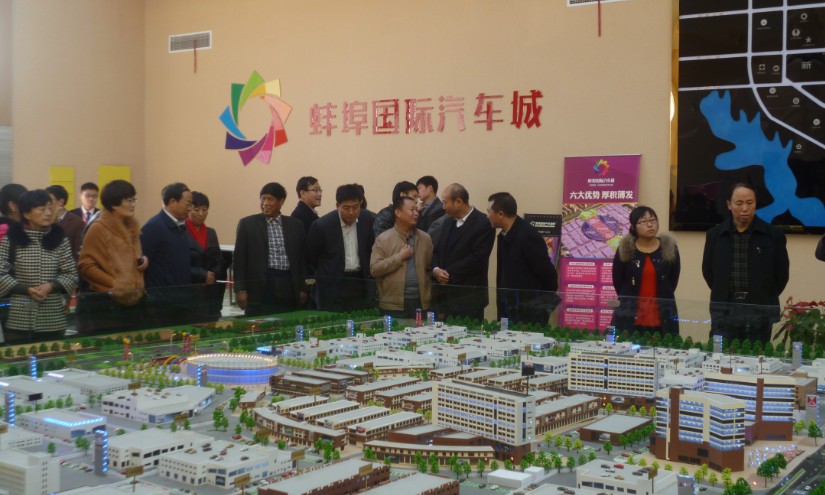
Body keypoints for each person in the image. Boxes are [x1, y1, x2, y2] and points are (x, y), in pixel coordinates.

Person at [702, 183, 790, 343]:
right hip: (725, 309)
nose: (745, 208)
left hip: (759, 309)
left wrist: (763, 294)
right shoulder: (715, 235)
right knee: (722, 355)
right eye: (739, 203)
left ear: (755, 204)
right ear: (729, 205)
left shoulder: (773, 235)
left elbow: (781, 275)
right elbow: (709, 272)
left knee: (756, 355)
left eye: (750, 203)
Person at [0, 189, 78, 343]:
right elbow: (1, 273)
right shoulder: (13, 238)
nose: (48, 213)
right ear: (27, 214)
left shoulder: (59, 238)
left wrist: (51, 285)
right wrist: (25, 289)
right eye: (42, 209)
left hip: (52, 317)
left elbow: (71, 274)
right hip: (18, 316)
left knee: (52, 356)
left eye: (49, 208)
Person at [77, 180, 149, 335]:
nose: (133, 205)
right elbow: (85, 266)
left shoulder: (131, 227)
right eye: (128, 200)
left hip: (134, 301)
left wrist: (143, 260)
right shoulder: (99, 227)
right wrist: (115, 285)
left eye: (134, 200)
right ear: (114, 204)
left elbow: (131, 258)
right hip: (107, 304)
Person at [234, 182, 307, 316]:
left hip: (288, 284)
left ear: (281, 202)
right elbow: (239, 260)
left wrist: (303, 288)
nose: (265, 203)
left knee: (286, 322)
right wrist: (240, 289)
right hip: (260, 286)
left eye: (270, 199)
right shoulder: (247, 224)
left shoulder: (296, 225)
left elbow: (302, 259)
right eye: (263, 198)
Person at [487, 192, 559, 326]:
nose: (487, 216)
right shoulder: (504, 235)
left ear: (500, 214)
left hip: (528, 312)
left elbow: (548, 274)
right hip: (509, 308)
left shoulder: (527, 236)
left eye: (489, 212)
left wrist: (540, 304)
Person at [611, 206, 680, 335]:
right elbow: (618, 281)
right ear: (633, 227)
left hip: (662, 314)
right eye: (643, 221)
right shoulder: (626, 249)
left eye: (652, 220)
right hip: (630, 314)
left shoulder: (669, 248)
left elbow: (672, 281)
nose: (650, 225)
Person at [432, 183, 495, 321]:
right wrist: (436, 270)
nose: (443, 207)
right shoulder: (447, 222)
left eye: (445, 203)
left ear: (458, 202)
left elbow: (477, 258)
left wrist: (447, 274)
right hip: (445, 297)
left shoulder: (483, 223)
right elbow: (437, 250)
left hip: (469, 297)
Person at [306, 184, 375, 311]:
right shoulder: (322, 226)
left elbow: (369, 249)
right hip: (332, 285)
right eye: (346, 208)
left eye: (355, 207)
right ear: (337, 205)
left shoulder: (367, 219)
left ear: (360, 203)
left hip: (359, 282)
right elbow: (311, 258)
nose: (351, 212)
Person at [370, 196, 433, 317]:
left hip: (421, 303)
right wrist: (399, 257)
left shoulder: (425, 238)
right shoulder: (383, 239)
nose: (416, 213)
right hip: (393, 304)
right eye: (412, 210)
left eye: (417, 210)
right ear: (398, 213)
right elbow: (375, 270)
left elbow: (429, 268)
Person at [140, 182, 194, 326]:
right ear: (172, 202)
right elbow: (142, 266)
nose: (190, 209)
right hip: (161, 303)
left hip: (181, 300)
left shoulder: (181, 226)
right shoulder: (153, 227)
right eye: (187, 204)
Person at [186, 191, 226, 321]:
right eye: (196, 209)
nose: (201, 214)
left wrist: (213, 274)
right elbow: (179, 264)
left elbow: (219, 260)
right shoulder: (181, 232)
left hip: (211, 290)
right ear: (189, 209)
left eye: (204, 210)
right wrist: (203, 275)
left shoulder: (211, 232)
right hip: (190, 290)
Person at [46, 185, 85, 261]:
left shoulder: (77, 222)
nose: (46, 203)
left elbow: (78, 253)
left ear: (61, 202)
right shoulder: (44, 220)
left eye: (49, 200)